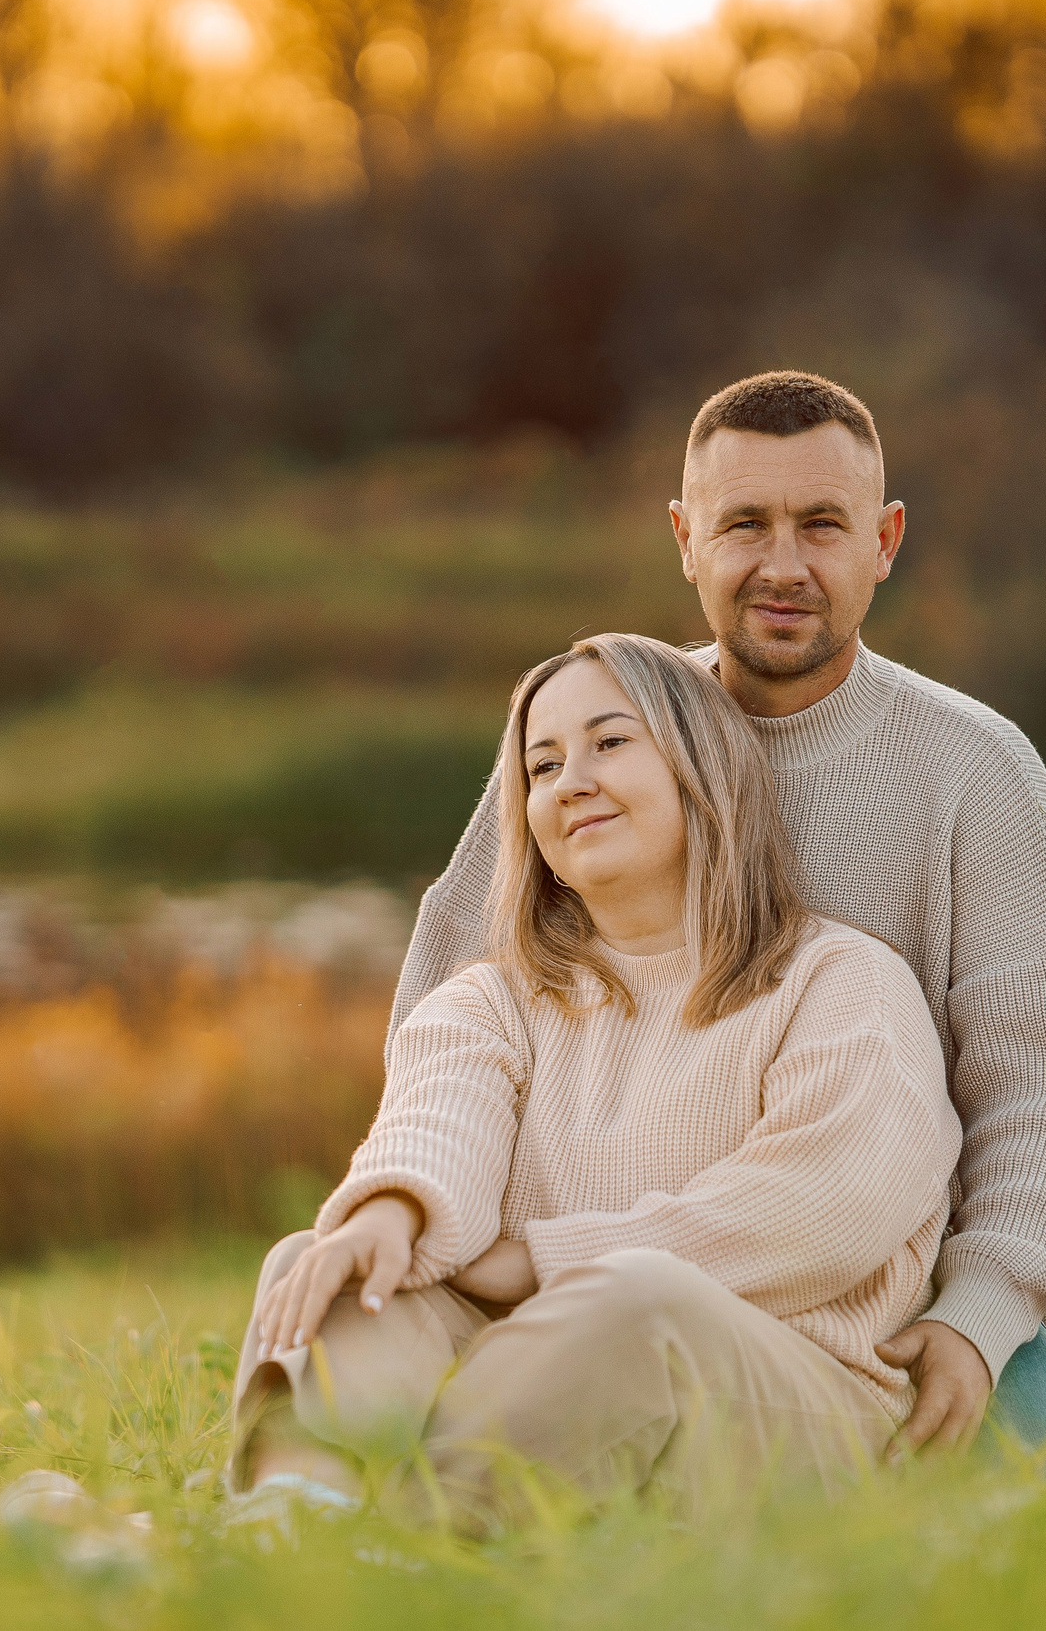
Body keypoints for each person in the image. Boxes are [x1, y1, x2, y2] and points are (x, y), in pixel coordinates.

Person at [388, 371, 1046, 1459]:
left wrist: (979, 1314)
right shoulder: (592, 742)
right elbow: (449, 1011)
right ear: (687, 538)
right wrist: (463, 1232)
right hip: (585, 1282)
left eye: (821, 524)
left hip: (886, 1304)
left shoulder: (976, 769)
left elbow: (1045, 1092)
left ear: (885, 539)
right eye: (744, 525)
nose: (782, 564)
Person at [231, 632, 962, 1528]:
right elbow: (438, 1122)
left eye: (611, 743)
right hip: (546, 1385)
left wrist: (545, 1260)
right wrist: (392, 1214)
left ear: (704, 768)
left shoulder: (840, 981)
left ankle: (403, 1543)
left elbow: (825, 1208)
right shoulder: (495, 998)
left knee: (637, 1300)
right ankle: (290, 1515)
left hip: (801, 1407)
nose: (570, 780)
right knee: (325, 1265)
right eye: (541, 767)